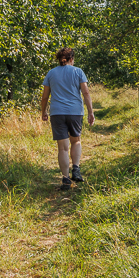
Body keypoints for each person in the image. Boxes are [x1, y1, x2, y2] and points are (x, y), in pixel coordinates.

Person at [40, 47, 95, 191]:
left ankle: (65, 179)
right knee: (76, 140)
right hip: (75, 112)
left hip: (57, 113)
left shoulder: (51, 73)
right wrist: (91, 112)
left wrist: (43, 111)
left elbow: (45, 96)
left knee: (62, 148)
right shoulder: (78, 71)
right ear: (71, 59)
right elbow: (86, 92)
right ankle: (76, 169)